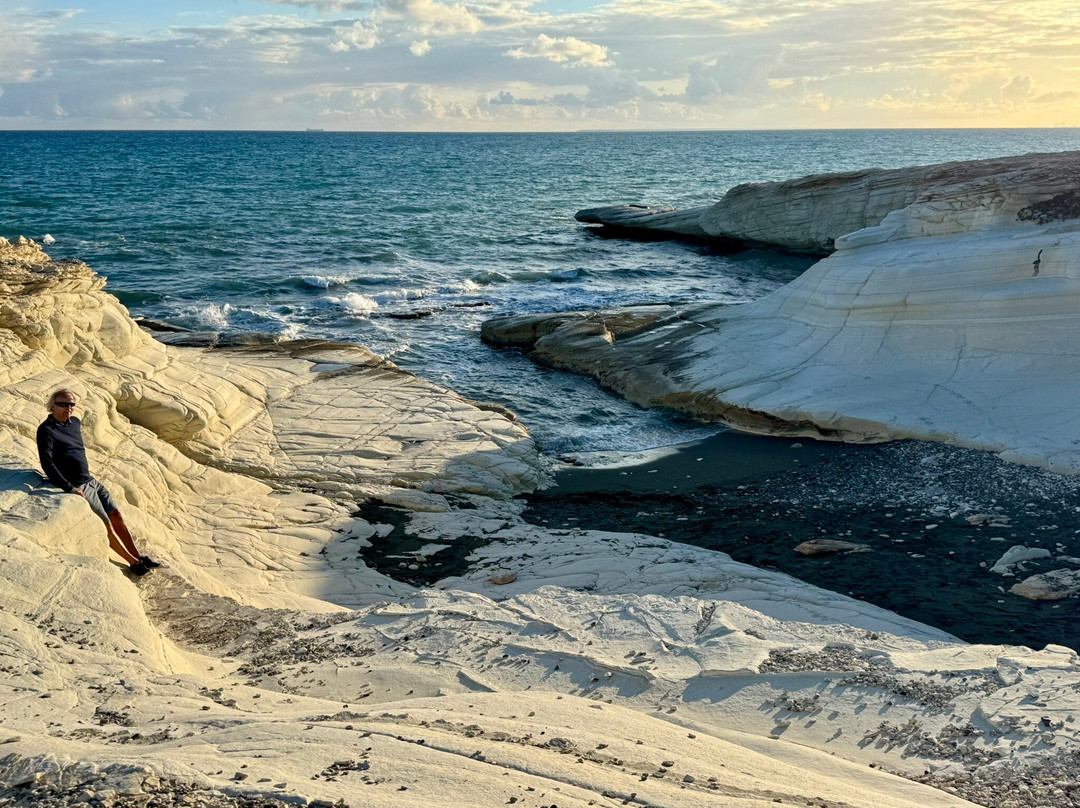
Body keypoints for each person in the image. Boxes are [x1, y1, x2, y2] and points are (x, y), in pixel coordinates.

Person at [36, 389, 161, 576]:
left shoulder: (74, 423)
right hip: (78, 485)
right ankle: (133, 563)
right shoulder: (46, 430)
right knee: (106, 525)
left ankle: (138, 556)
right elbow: (47, 464)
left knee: (116, 515)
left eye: (71, 404)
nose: (68, 408)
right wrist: (69, 487)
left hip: (91, 480)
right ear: (52, 405)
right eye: (63, 404)